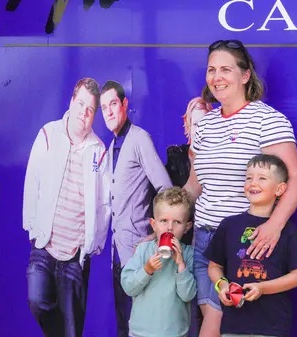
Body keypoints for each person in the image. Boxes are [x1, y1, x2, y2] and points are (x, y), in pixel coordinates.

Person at [184, 39, 297, 337]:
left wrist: (274, 226)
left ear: (245, 75)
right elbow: (193, 186)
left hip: (243, 245)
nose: (217, 77)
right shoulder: (206, 125)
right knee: (214, 322)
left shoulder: (267, 120)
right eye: (211, 70)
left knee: (215, 328)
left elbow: (295, 179)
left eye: (226, 69)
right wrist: (166, 224)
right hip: (205, 244)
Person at [23, 78, 110, 337]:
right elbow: (33, 179)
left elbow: (104, 202)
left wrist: (95, 242)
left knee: (74, 328)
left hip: (75, 253)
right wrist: (32, 225)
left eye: (90, 109)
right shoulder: (48, 134)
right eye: (81, 104)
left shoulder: (99, 150)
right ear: (72, 101)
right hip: (45, 244)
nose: (84, 112)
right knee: (36, 301)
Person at [205, 154, 297, 337]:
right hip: (233, 325)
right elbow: (214, 267)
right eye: (248, 178)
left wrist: (262, 288)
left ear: (280, 189)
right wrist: (222, 286)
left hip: (272, 326)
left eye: (262, 178)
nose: (253, 183)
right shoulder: (229, 225)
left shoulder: (289, 231)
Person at [99, 80, 173, 337]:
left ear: (125, 104)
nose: (108, 111)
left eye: (113, 104)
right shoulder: (110, 149)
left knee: (140, 325)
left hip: (139, 254)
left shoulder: (139, 138)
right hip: (117, 254)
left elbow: (165, 188)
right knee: (123, 324)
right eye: (103, 107)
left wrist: (155, 235)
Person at [121, 186, 197, 337]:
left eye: (177, 222)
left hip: (175, 333)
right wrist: (147, 269)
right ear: (153, 224)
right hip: (141, 333)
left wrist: (181, 265)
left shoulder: (188, 254)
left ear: (187, 227)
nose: (170, 227)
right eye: (163, 221)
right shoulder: (143, 250)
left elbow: (188, 295)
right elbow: (128, 287)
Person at [166, 96, 212, 247]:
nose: (200, 131)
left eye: (205, 124)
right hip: (182, 236)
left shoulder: (219, 159)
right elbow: (173, 199)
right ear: (189, 125)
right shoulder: (176, 157)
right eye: (196, 124)